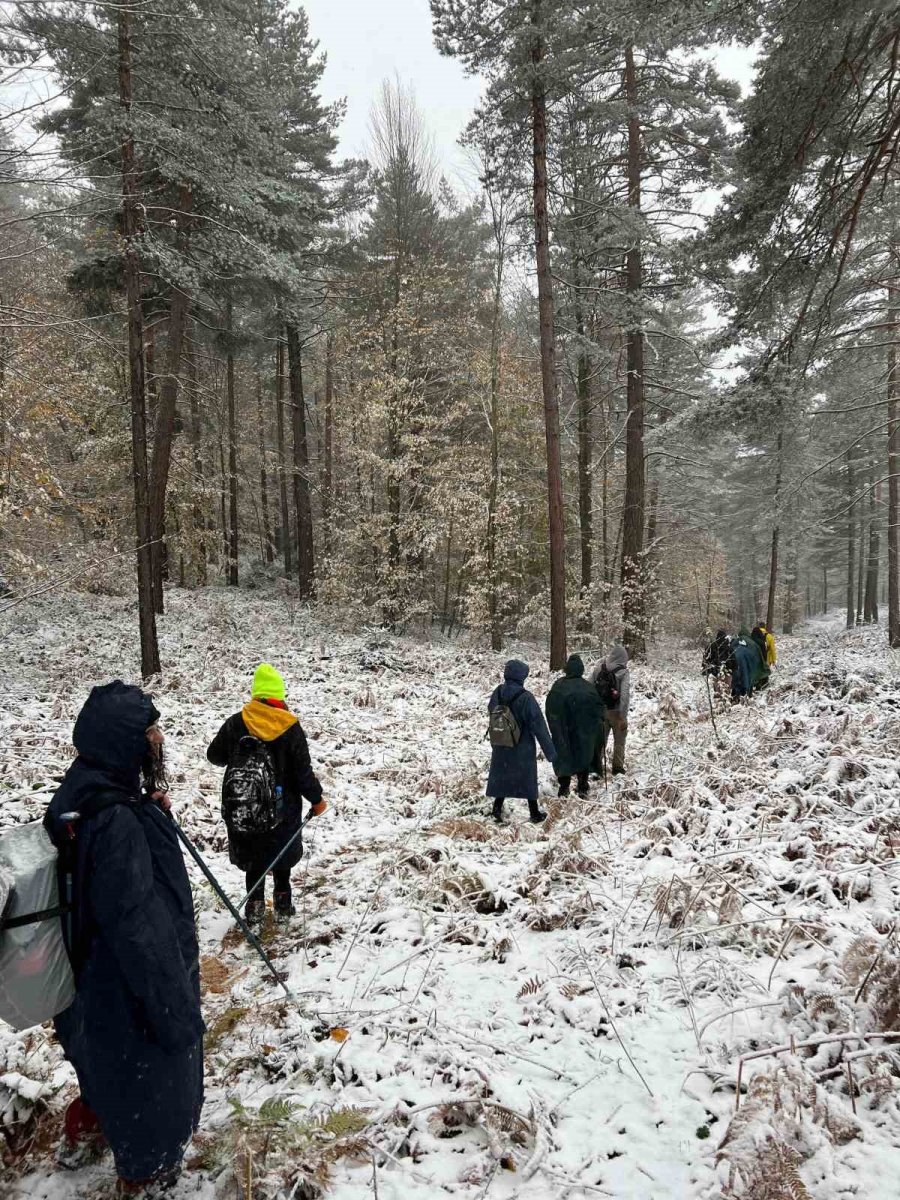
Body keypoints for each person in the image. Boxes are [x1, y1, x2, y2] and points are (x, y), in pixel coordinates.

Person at [44, 681, 204, 1197]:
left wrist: (148, 812)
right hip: (130, 993)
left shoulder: (86, 792)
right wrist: (176, 1012)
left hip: (88, 984)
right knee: (149, 1090)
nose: (158, 740)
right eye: (149, 732)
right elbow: (138, 926)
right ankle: (144, 1179)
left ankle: (85, 1131)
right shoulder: (116, 822)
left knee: (101, 1067)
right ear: (124, 742)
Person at [207, 663, 326, 928]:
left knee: (254, 859)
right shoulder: (290, 728)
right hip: (284, 813)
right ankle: (283, 904)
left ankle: (255, 907)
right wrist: (317, 801)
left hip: (244, 808)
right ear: (279, 697)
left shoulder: (237, 723)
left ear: (256, 694)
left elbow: (213, 756)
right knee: (281, 856)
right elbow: (304, 774)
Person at [486, 659, 556, 824]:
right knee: (527, 778)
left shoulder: (498, 692)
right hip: (522, 745)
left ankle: (496, 810)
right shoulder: (526, 698)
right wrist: (550, 752)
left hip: (501, 741)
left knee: (501, 776)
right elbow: (538, 724)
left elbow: (492, 710)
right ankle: (534, 812)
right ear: (522, 676)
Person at [545, 654, 604, 797]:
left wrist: (555, 726)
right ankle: (582, 785)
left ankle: (564, 786)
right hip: (584, 730)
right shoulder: (589, 688)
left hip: (564, 730)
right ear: (581, 670)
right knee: (584, 753)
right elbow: (599, 711)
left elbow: (550, 709)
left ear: (567, 669)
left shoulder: (559, 686)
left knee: (564, 755)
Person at [590, 645, 631, 776]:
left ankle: (597, 768)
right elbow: (624, 695)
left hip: (601, 711)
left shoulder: (599, 669)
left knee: (601, 740)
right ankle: (617, 768)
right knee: (619, 741)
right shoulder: (623, 672)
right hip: (617, 712)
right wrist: (622, 716)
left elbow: (589, 687)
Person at [731, 627, 760, 702]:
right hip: (747, 667)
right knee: (746, 680)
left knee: (737, 680)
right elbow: (755, 659)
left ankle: (735, 696)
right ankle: (746, 696)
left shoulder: (734, 645)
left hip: (735, 667)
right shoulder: (750, 645)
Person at [749, 624, 772, 690]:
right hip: (761, 659)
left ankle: (755, 684)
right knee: (762, 671)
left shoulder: (750, 640)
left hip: (753, 660)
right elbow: (765, 651)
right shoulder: (762, 641)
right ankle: (762, 685)